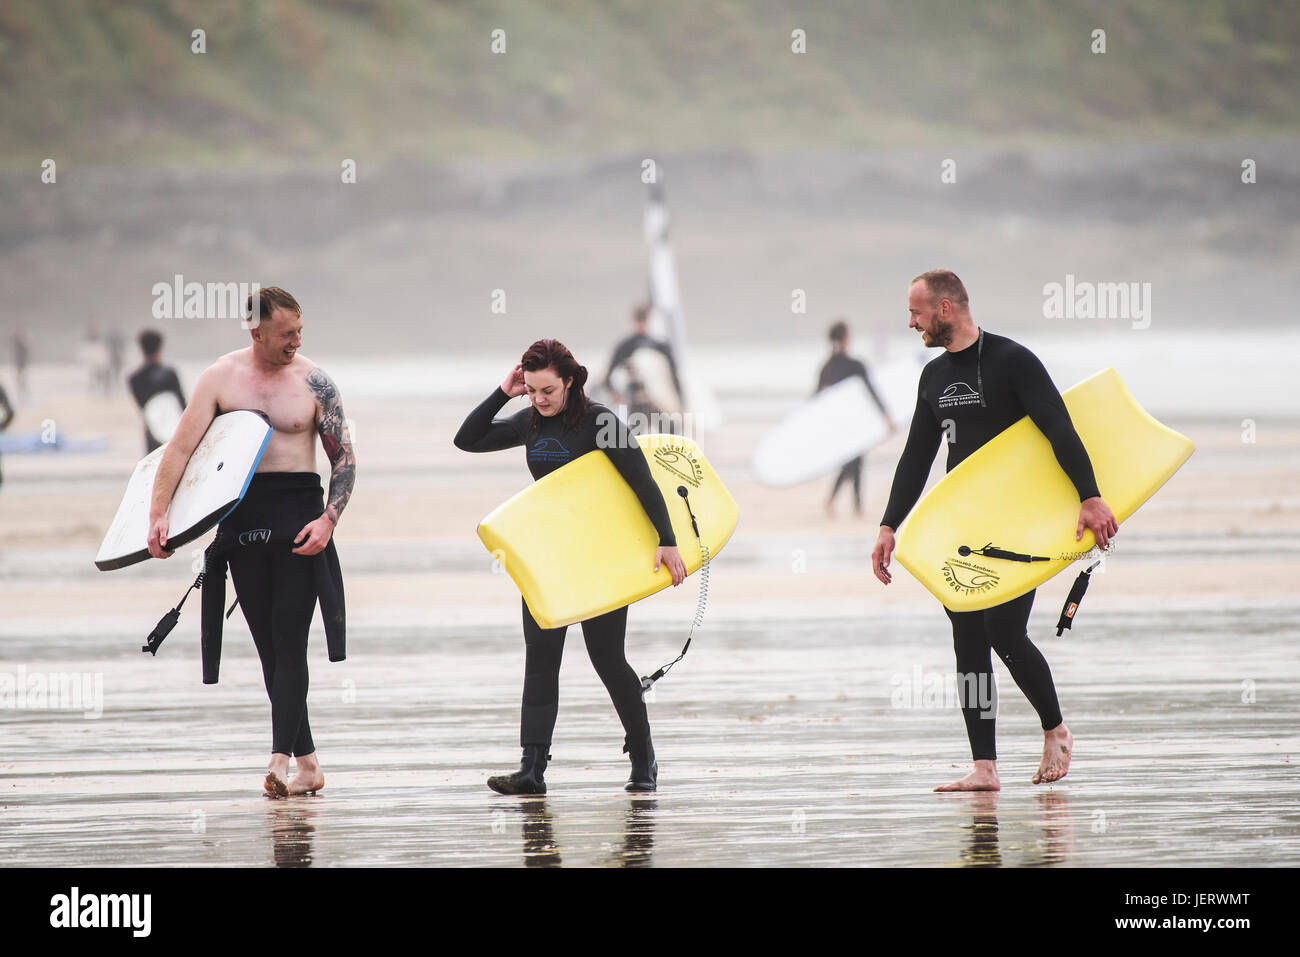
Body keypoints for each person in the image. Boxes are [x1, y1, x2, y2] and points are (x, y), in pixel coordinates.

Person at [871, 270, 1117, 792]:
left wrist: (1089, 496)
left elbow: (1058, 426)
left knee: (1003, 632)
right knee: (967, 640)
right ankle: (984, 768)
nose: (910, 322)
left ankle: (1056, 729)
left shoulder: (1013, 361)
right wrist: (889, 524)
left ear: (944, 309)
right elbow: (917, 456)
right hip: (966, 526)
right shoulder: (933, 378)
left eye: (916, 312)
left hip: (1019, 525)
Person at [146, 287, 355, 799]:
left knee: (289, 643)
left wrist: (329, 520)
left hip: (300, 523)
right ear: (255, 330)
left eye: (300, 331)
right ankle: (309, 765)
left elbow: (343, 459)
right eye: (286, 333)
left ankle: (278, 761)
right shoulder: (220, 378)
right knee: (269, 650)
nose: (296, 341)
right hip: (242, 523)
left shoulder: (315, 381)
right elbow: (180, 448)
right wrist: (158, 514)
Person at [455, 338, 687, 794]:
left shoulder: (601, 422)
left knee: (607, 659)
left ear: (570, 382)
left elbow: (643, 480)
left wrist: (668, 541)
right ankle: (532, 770)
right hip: (549, 558)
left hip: (599, 558)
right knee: (540, 663)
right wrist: (504, 392)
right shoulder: (530, 422)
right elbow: (467, 440)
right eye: (532, 390)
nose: (539, 400)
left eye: (548, 391)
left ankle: (643, 758)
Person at [817, 319, 895, 517]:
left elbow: (816, 398)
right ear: (844, 338)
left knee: (856, 461)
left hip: (840, 422)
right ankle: (839, 502)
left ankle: (855, 506)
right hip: (853, 421)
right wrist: (885, 415)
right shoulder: (855, 365)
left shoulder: (827, 367)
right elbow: (872, 391)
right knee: (853, 461)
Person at [603, 302, 683, 426]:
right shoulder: (660, 345)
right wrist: (680, 400)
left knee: (641, 439)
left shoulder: (627, 346)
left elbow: (607, 377)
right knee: (666, 438)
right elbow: (674, 376)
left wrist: (615, 394)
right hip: (647, 402)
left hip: (644, 401)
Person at [127, 329, 187, 453]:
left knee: (152, 466)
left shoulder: (134, 378)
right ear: (160, 347)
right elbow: (182, 406)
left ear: (141, 349)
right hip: (174, 431)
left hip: (151, 430)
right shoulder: (170, 373)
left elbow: (143, 408)